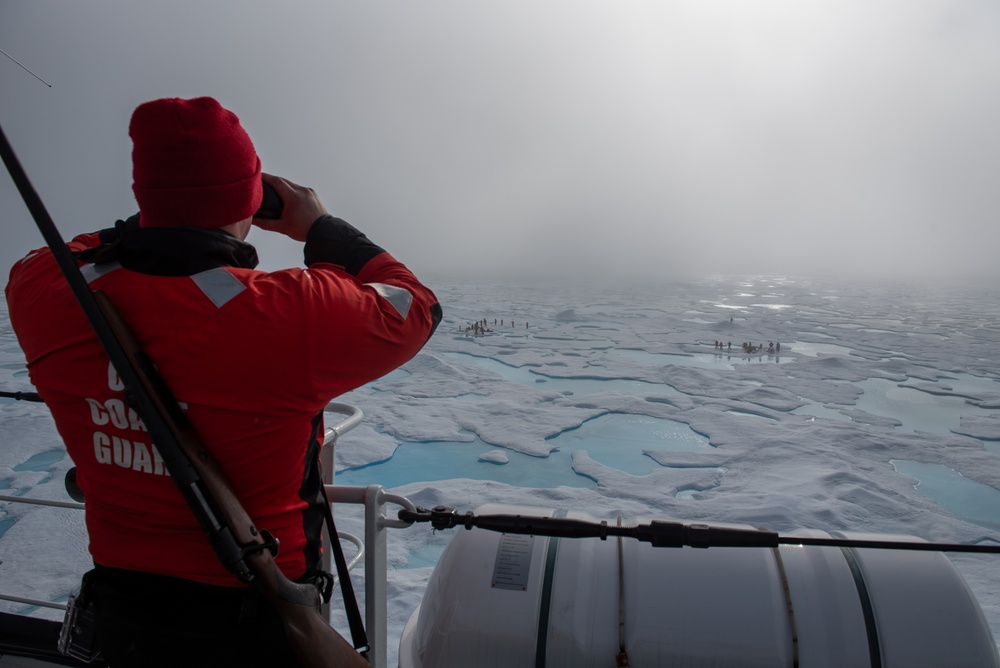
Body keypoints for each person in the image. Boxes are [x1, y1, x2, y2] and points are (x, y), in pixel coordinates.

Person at [5, 97, 442, 667]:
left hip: (124, 622)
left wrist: (168, 210)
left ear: (145, 195)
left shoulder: (46, 292)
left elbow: (81, 250)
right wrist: (319, 224)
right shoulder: (285, 314)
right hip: (259, 622)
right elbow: (416, 305)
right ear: (250, 198)